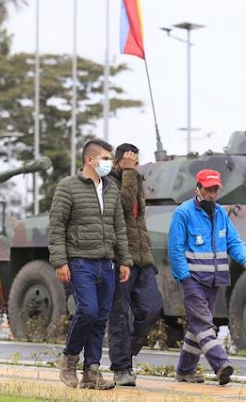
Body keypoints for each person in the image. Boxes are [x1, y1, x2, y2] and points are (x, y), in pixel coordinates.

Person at [48, 138, 133, 390]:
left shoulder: (111, 189)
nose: (108, 163)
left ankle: (92, 371)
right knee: (87, 311)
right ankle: (70, 360)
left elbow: (119, 226)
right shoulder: (68, 187)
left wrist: (125, 259)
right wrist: (60, 261)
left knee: (100, 318)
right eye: (106, 158)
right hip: (80, 261)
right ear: (90, 160)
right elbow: (56, 226)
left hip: (106, 264)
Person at [168, 168, 246, 386]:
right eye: (208, 189)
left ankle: (185, 371)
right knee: (205, 324)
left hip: (214, 281)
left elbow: (233, 241)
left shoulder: (220, 214)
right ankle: (221, 364)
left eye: (215, 189)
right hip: (193, 281)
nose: (212, 193)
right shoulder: (183, 213)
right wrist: (185, 278)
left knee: (197, 327)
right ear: (198, 189)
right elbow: (175, 249)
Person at [107, 143, 163, 386]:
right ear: (118, 162)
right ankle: (121, 368)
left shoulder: (136, 180)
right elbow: (123, 207)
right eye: (130, 162)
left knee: (152, 308)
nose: (134, 166)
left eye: (136, 163)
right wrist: (128, 173)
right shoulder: (107, 182)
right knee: (119, 313)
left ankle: (126, 354)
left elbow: (138, 221)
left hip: (142, 259)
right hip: (120, 259)